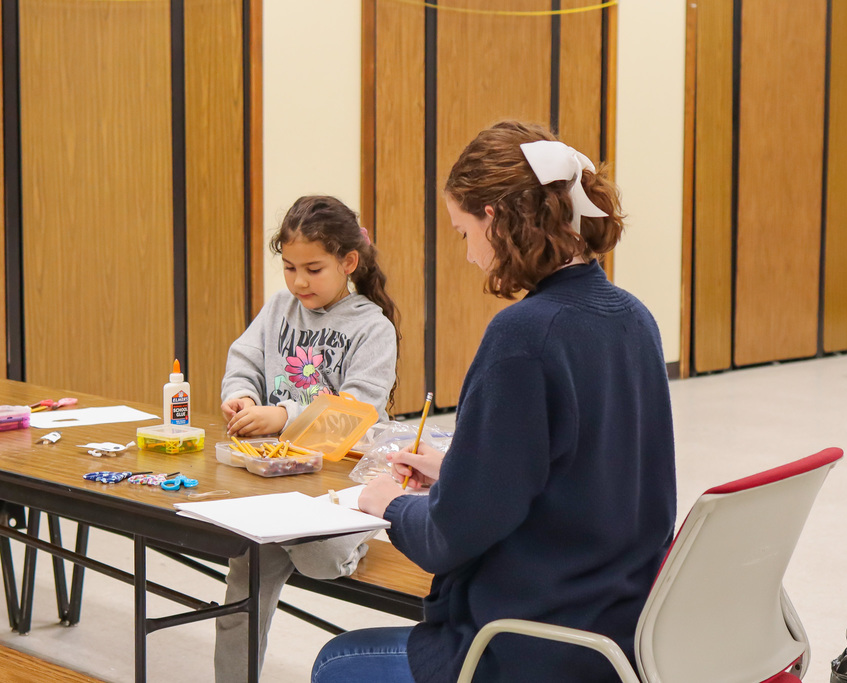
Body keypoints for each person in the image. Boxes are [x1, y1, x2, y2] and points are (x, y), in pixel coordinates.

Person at [311, 121, 676, 683]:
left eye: (463, 233)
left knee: (338, 661)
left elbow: (448, 539)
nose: (468, 255)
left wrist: (385, 501)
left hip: (532, 645)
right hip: (620, 631)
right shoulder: (634, 317)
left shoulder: (523, 336)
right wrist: (457, 471)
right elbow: (584, 474)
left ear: (496, 221)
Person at [216, 194, 400, 681]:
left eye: (314, 269)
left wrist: (280, 415)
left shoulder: (372, 328)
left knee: (320, 562)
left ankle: (358, 528)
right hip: (276, 480)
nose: (299, 282)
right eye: (290, 267)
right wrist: (241, 396)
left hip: (333, 480)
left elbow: (355, 415)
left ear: (348, 262)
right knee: (242, 586)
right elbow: (246, 362)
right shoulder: (280, 307)